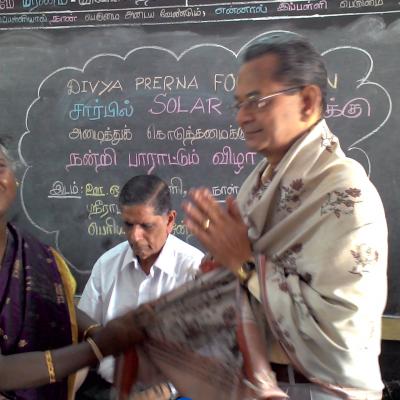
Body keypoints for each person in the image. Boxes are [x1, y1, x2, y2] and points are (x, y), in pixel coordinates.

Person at [182, 34, 388, 399]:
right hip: (252, 382)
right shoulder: (257, 186)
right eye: (238, 104)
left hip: (317, 390)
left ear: (307, 101)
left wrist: (244, 265)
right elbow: (247, 281)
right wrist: (223, 274)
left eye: (256, 101)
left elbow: (342, 336)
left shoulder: (343, 193)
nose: (243, 116)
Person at [0, 139, 144, 400]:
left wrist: (95, 331)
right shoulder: (108, 263)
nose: (137, 236)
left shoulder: (38, 257)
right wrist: (96, 348)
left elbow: (56, 306)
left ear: (14, 178)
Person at [78, 174, 204, 398]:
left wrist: (164, 390)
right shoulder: (107, 266)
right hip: (109, 389)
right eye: (128, 224)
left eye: (146, 226)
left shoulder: (194, 269)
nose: (135, 237)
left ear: (170, 220)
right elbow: (82, 337)